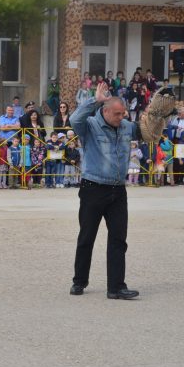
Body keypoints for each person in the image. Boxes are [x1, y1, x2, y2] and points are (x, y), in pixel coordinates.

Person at [69, 81, 140, 300]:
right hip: (93, 188)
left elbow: (148, 132)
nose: (121, 117)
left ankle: (116, 287)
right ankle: (79, 281)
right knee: (87, 237)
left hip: (118, 190)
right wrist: (95, 100)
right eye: (117, 114)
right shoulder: (90, 125)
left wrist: (158, 116)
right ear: (105, 111)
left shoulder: (126, 126)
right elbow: (74, 120)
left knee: (119, 239)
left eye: (123, 113)